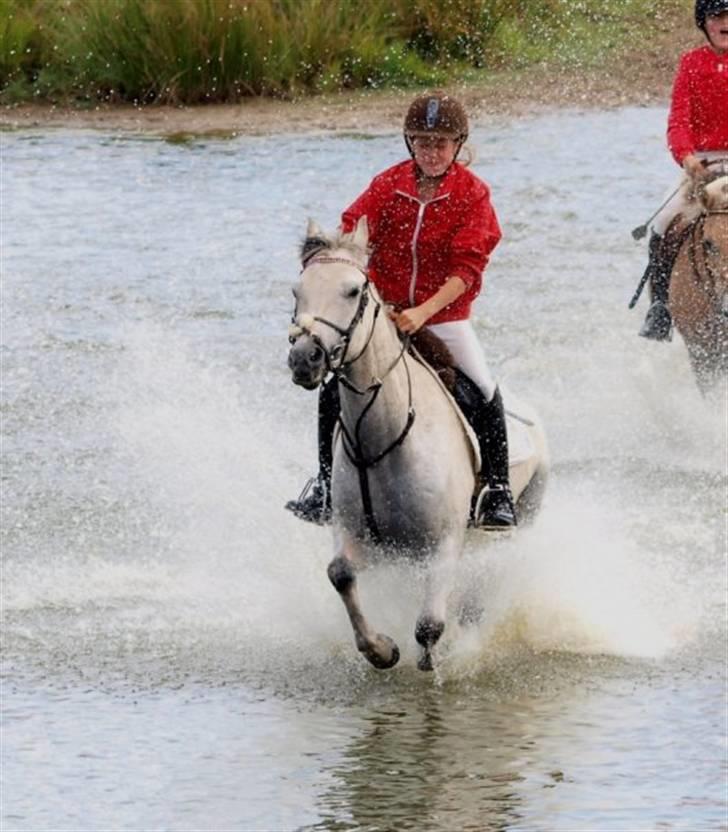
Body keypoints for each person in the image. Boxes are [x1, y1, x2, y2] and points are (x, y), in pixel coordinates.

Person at [286, 91, 517, 529]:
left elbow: (466, 271)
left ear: (458, 144)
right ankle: (325, 485)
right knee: (334, 387)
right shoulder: (387, 185)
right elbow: (352, 233)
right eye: (422, 142)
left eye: (441, 143)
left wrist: (422, 313)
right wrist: (328, 262)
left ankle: (498, 491)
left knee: (484, 390)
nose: (431, 152)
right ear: (409, 142)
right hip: (382, 314)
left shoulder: (473, 194)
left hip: (444, 317)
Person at [639, 0, 728, 340]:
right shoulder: (691, 64)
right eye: (717, 16)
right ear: (704, 23)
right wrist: (688, 159)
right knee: (663, 225)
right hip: (700, 165)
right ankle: (660, 308)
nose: (724, 22)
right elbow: (678, 122)